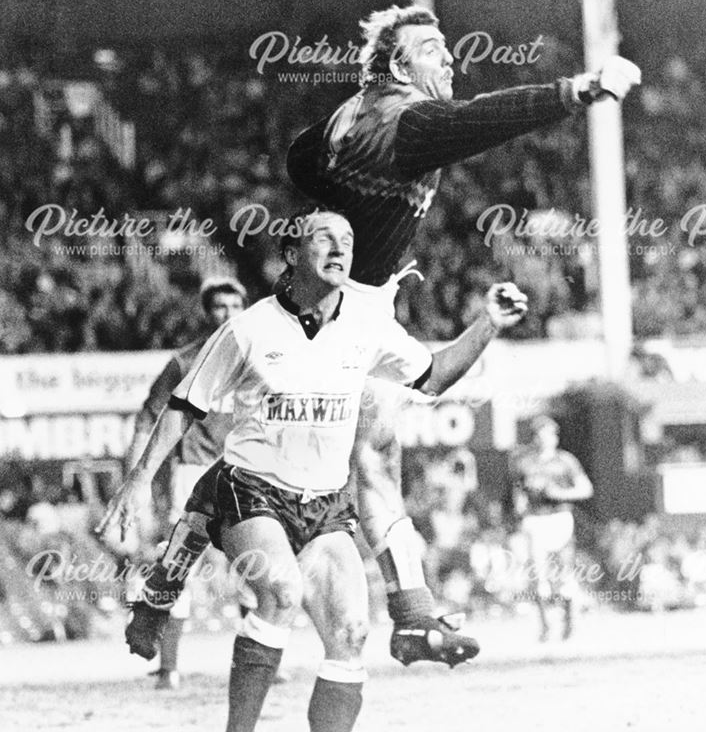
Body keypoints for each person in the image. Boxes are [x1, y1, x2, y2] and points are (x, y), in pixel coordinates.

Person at [122, 4, 639, 668]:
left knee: (279, 465)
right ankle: (412, 618)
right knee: (353, 461)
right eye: (431, 49)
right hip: (342, 315)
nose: (448, 60)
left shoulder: (359, 117)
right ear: (398, 65)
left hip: (352, 307)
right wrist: (580, 89)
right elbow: (485, 119)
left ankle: (167, 590)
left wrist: (346, 164)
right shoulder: (408, 122)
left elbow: (299, 160)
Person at [98, 210, 527, 732]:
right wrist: (138, 482)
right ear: (293, 255)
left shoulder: (368, 328)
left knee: (350, 631)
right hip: (250, 488)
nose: (339, 246)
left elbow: (433, 377)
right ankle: (175, 626)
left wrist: (487, 325)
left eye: (347, 238)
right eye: (323, 236)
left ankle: (162, 593)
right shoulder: (250, 328)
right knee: (279, 589)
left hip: (324, 504)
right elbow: (183, 406)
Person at [125, 276, 246, 689]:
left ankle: (261, 664)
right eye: (219, 307)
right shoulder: (184, 360)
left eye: (234, 306)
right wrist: (135, 477)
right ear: (206, 312)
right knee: (178, 566)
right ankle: (169, 668)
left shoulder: (257, 359)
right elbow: (148, 415)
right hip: (193, 472)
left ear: (244, 309)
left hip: (243, 471)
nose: (227, 314)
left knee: (253, 564)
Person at [510, 415, 593, 640]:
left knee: (564, 575)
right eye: (540, 434)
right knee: (538, 576)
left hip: (559, 517)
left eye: (549, 434)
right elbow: (518, 493)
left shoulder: (565, 461)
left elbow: (585, 489)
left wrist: (560, 494)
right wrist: (521, 508)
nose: (545, 439)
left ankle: (568, 622)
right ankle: (546, 625)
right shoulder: (525, 463)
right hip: (536, 519)